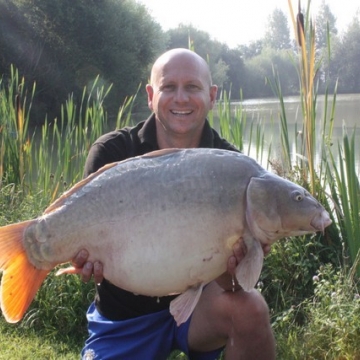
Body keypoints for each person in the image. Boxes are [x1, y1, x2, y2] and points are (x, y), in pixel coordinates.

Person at [73, 48, 276, 360]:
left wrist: (237, 263)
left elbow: (231, 284)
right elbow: (87, 251)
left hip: (198, 309)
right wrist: (84, 258)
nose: (181, 98)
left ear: (212, 96)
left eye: (192, 87)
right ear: (151, 96)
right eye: (169, 87)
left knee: (251, 309)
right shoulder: (112, 151)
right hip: (122, 319)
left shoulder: (234, 168)